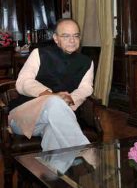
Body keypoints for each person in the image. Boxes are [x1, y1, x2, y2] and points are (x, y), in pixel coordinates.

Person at [8, 18, 94, 151]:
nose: (72, 40)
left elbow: (85, 89)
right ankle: (87, 154)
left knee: (53, 133)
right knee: (54, 102)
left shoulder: (86, 62)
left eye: (76, 36)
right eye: (66, 36)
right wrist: (51, 95)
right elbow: (23, 82)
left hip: (58, 118)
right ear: (55, 38)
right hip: (24, 116)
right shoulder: (40, 54)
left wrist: (69, 100)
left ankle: (53, 170)